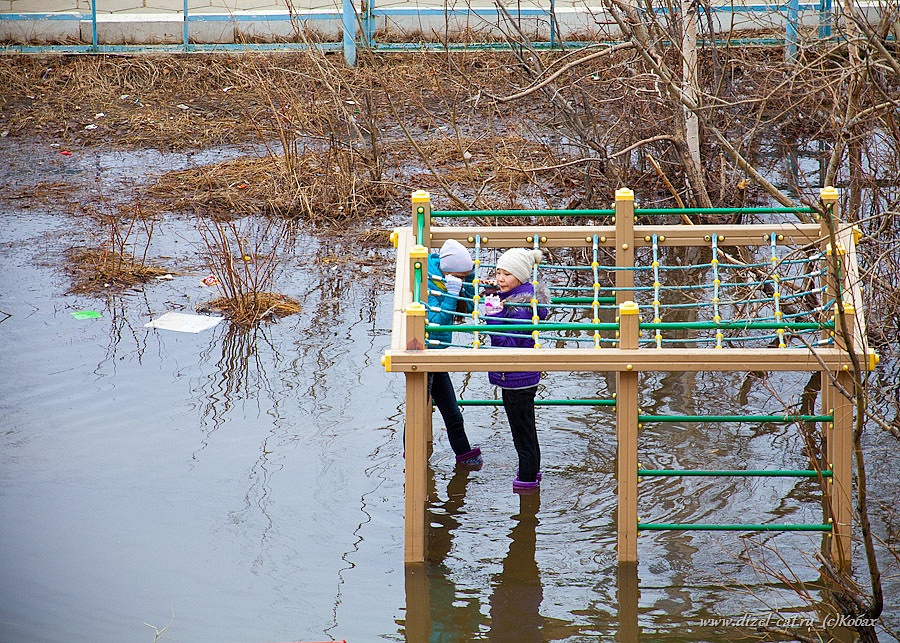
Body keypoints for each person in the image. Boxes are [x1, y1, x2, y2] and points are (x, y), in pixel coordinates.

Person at [484, 248, 550, 493]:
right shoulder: (521, 297)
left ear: (521, 277)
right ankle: (532, 471)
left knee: (522, 435)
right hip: (520, 376)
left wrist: (493, 315)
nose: (500, 279)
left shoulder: (519, 307)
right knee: (527, 430)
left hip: (516, 377)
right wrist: (497, 299)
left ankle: (527, 481)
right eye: (498, 272)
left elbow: (507, 343)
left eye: (507, 274)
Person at [426, 239, 483, 468]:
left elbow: (469, 306)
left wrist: (468, 279)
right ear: (449, 272)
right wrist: (451, 294)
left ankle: (466, 458)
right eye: (460, 276)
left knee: (451, 414)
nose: (461, 281)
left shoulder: (446, 277)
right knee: (430, 413)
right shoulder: (429, 286)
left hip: (435, 355)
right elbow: (436, 324)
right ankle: (465, 460)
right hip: (425, 355)